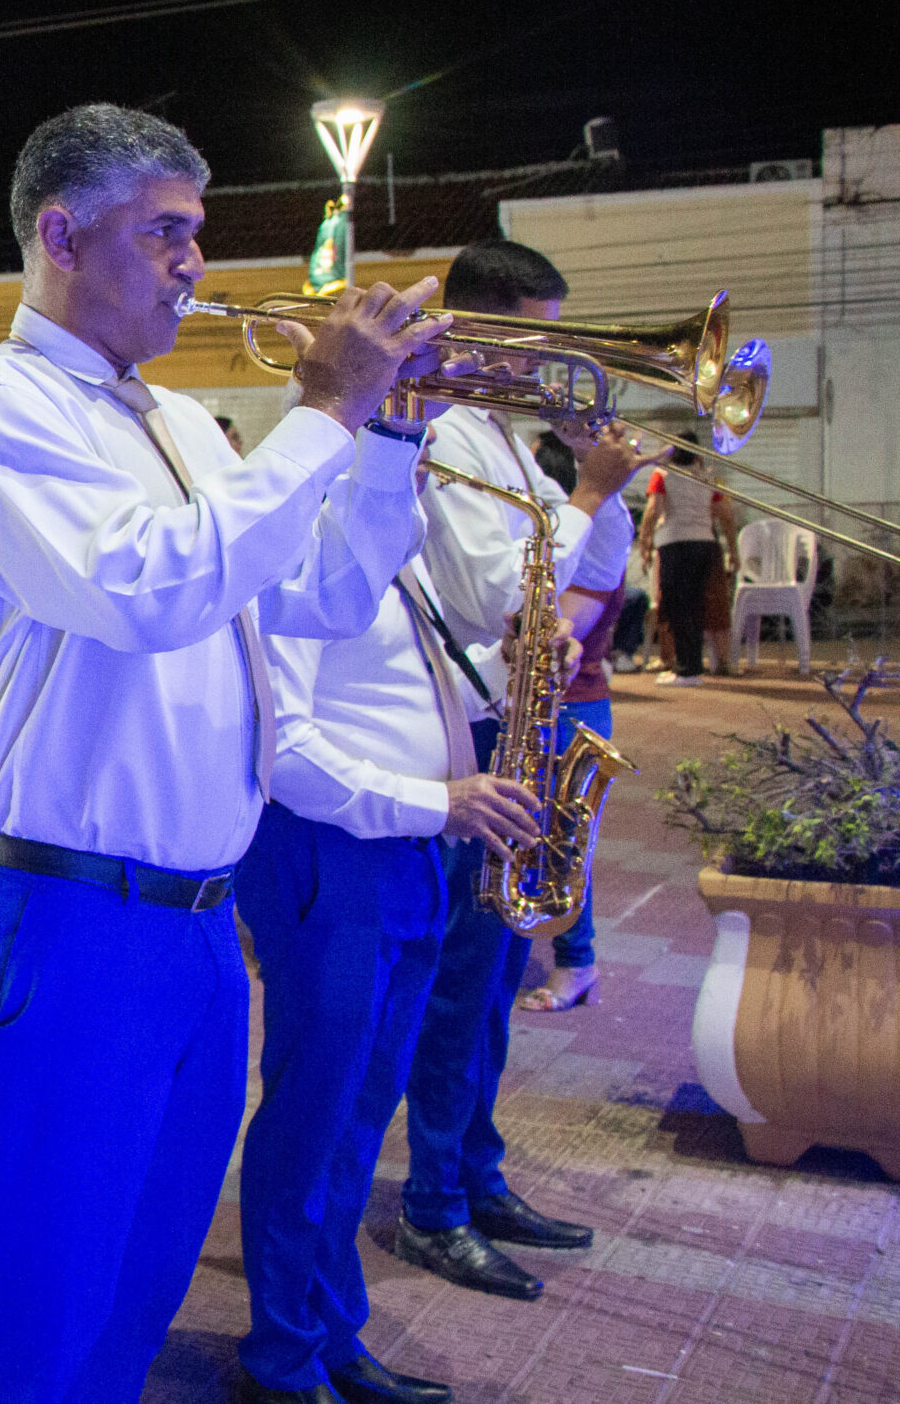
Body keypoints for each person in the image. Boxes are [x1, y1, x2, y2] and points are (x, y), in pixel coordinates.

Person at [0, 104, 442, 1403]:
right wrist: (324, 410)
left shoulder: (185, 424)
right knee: (33, 1325)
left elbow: (318, 593)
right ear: (58, 233)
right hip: (63, 911)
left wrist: (387, 439)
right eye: (164, 233)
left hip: (198, 930)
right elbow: (143, 589)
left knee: (131, 1312)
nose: (193, 265)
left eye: (194, 235)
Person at [236, 547, 543, 1404]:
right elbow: (285, 744)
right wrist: (438, 803)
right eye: (420, 407)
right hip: (337, 851)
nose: (439, 424)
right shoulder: (304, 538)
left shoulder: (397, 544)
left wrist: (497, 673)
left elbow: (384, 699)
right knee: (314, 1111)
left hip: (406, 851)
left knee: (362, 1115)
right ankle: (281, 1356)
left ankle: (330, 1332)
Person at [401, 239, 646, 1305]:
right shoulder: (445, 436)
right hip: (473, 738)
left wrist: (603, 491)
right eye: (538, 332)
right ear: (483, 329)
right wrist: (588, 488)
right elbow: (502, 599)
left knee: (499, 977)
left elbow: (589, 579)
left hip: (523, 725)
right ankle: (434, 1206)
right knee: (462, 983)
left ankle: (476, 1170)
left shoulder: (504, 440)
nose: (554, 355)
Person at [516, 432, 639, 1013]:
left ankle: (577, 963)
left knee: (564, 844)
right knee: (543, 839)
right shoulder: (586, 522)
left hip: (576, 701)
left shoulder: (599, 526)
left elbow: (566, 625)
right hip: (571, 700)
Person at [643, 445, 735, 686]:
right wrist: (733, 550)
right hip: (705, 545)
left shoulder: (661, 475)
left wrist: (645, 542)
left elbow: (653, 510)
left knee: (676, 607)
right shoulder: (710, 478)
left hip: (674, 545)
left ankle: (686, 669)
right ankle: (692, 666)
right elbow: (725, 514)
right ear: (697, 454)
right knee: (696, 607)